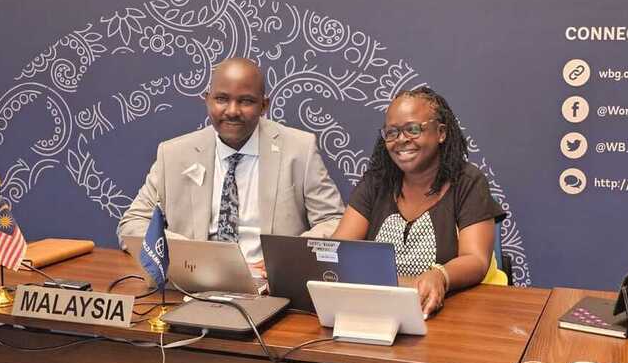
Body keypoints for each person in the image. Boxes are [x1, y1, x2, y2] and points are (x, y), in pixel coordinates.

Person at [117, 58, 345, 273]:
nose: (233, 111)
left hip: (271, 284)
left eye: (246, 101)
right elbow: (132, 225)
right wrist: (190, 253)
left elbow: (333, 222)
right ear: (207, 99)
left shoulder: (299, 149)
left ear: (264, 105)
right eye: (222, 99)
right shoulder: (174, 154)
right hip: (194, 281)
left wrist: (286, 259)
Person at [332, 87, 503, 316]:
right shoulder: (376, 182)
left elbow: (476, 260)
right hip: (381, 311)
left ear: (441, 133)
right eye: (392, 132)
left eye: (413, 129)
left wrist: (441, 275)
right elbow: (340, 249)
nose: (401, 140)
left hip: (454, 313)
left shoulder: (467, 182)